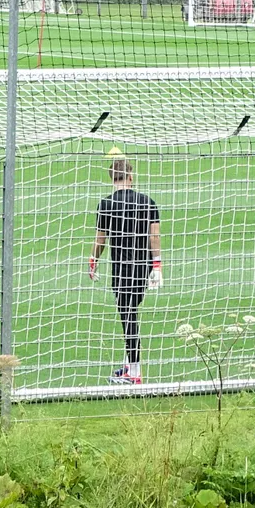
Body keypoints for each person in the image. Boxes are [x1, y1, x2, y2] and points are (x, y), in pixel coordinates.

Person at [89, 154, 162, 385]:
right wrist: (157, 265)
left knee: (128, 316)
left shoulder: (106, 204)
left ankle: (135, 372)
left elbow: (101, 238)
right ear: (131, 176)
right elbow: (154, 236)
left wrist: (93, 260)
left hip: (121, 270)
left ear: (113, 179)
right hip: (144, 267)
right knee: (131, 312)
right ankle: (131, 365)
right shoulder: (148, 202)